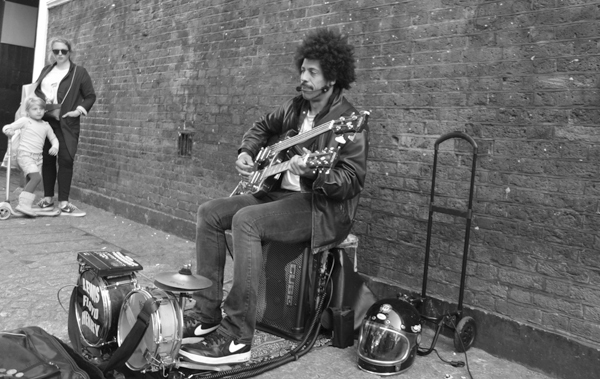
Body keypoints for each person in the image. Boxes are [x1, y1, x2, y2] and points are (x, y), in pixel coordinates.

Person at [178, 28, 369, 365]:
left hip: (320, 209)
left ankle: (236, 335)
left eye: (313, 72)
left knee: (246, 220)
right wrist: (247, 151)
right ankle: (206, 315)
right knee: (209, 212)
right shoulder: (296, 107)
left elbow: (351, 180)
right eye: (303, 70)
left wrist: (313, 171)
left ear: (332, 78)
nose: (304, 77)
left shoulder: (348, 121)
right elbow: (263, 126)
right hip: (278, 194)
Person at [34, 38, 96, 216]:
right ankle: (47, 199)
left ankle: (63, 202)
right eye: (55, 51)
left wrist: (79, 111)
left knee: (66, 159)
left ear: (70, 51)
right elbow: (36, 91)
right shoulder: (46, 71)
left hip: (67, 122)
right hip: (45, 121)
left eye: (63, 51)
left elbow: (90, 96)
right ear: (51, 53)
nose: (59, 54)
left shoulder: (79, 72)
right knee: (47, 159)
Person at [2, 97, 59, 216]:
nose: (39, 111)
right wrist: (8, 130)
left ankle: (26, 204)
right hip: (25, 155)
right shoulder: (25, 121)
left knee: (30, 179)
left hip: (38, 158)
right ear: (28, 111)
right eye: (35, 109)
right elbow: (8, 126)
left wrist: (55, 146)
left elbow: (53, 138)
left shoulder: (46, 125)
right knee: (36, 178)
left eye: (41, 109)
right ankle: (23, 204)